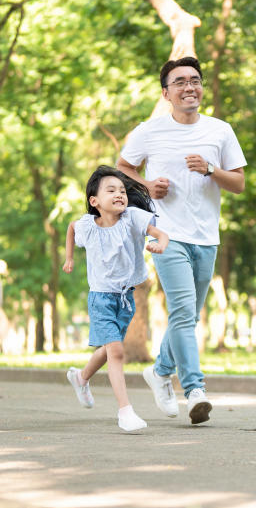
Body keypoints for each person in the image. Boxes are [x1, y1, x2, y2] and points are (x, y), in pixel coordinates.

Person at [117, 57, 246, 425]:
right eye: (180, 82)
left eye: (195, 80)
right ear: (166, 93)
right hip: (166, 234)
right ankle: (194, 390)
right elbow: (123, 167)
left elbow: (237, 184)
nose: (189, 87)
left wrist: (210, 169)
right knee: (183, 312)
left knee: (189, 315)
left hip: (207, 237)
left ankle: (158, 371)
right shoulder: (150, 131)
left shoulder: (220, 131)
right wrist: (146, 185)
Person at [63, 165, 169, 433]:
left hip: (125, 298)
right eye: (111, 190)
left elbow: (161, 233)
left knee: (110, 350)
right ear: (94, 201)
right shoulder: (88, 225)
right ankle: (126, 412)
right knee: (117, 351)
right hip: (100, 299)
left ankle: (81, 377)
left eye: (122, 190)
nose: (120, 194)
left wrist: (161, 243)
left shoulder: (133, 217)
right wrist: (69, 258)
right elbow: (71, 228)